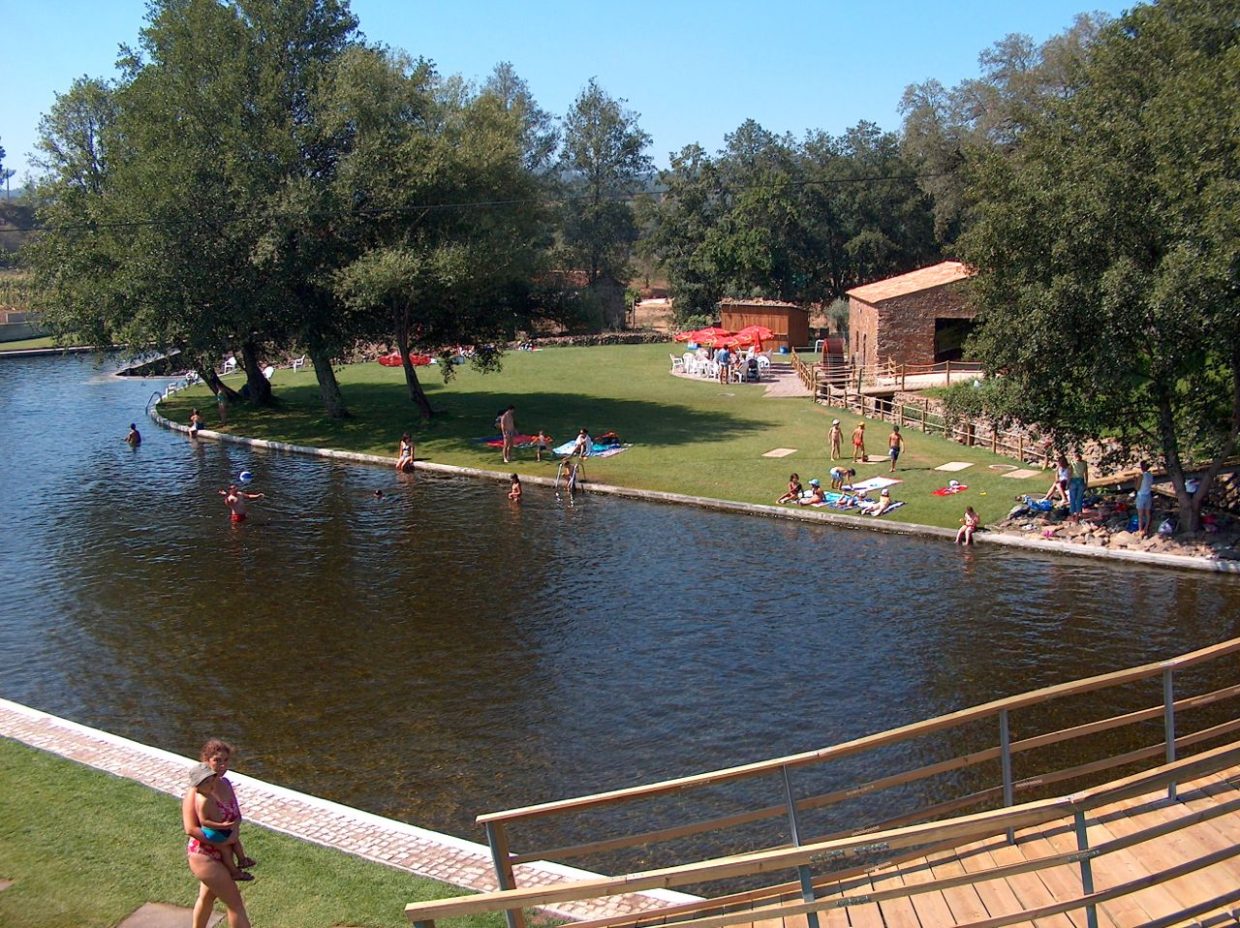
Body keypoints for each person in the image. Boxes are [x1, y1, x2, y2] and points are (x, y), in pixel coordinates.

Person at [183, 739, 253, 928]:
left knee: (206, 898)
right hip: (204, 855)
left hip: (225, 850)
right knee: (235, 904)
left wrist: (234, 831)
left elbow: (236, 815)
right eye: (217, 760)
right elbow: (190, 828)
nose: (222, 765)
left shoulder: (226, 784)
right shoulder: (196, 792)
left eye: (226, 761)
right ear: (206, 761)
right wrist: (221, 843)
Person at [188, 764, 251, 882]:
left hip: (216, 828)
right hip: (212, 831)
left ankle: (242, 860)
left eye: (212, 781)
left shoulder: (207, 794)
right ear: (197, 785)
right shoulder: (204, 800)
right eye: (207, 783)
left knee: (233, 842)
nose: (211, 785)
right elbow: (204, 821)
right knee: (226, 849)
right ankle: (236, 871)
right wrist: (222, 826)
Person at [1135, 460, 1154, 536]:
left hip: (1141, 495)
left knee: (1140, 514)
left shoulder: (1141, 476)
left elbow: (1137, 487)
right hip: (1148, 494)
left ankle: (1140, 530)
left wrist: (1135, 480)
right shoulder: (1150, 475)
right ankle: (1146, 528)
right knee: (1147, 513)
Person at [1069, 451, 1089, 519]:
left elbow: (1070, 473)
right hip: (1081, 480)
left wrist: (1068, 483)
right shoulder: (1084, 463)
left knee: (1072, 498)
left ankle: (1072, 514)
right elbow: (1086, 474)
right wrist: (1086, 483)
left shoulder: (1072, 463)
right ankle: (1078, 514)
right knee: (1079, 499)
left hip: (1073, 480)